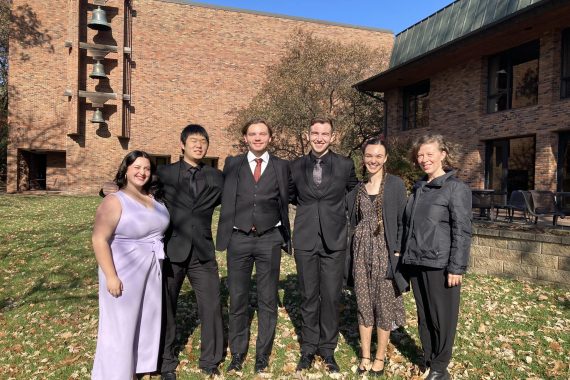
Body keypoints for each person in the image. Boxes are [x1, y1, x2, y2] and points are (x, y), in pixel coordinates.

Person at [216, 119, 291, 374]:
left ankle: (262, 356)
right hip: (239, 238)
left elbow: (295, 193)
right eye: (252, 134)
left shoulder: (282, 166)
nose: (257, 137)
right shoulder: (233, 164)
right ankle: (237, 354)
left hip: (270, 238)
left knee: (268, 300)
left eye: (262, 134)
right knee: (237, 299)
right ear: (245, 138)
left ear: (270, 138)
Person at [92, 151, 170, 380]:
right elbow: (99, 239)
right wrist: (111, 276)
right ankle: (116, 374)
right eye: (137, 167)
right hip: (123, 270)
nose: (142, 172)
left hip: (151, 270)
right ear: (126, 170)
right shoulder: (114, 200)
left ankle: (137, 367)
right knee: (121, 326)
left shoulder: (153, 199)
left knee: (146, 320)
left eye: (146, 168)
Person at [289, 117, 358, 373]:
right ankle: (308, 348)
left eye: (324, 133)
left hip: (335, 240)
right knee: (308, 297)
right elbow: (291, 195)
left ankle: (327, 350)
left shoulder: (344, 165)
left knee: (330, 297)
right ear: (308, 135)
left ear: (333, 136)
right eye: (315, 133)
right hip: (306, 239)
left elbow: (354, 195)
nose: (319, 137)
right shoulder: (295, 166)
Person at [402, 134, 472, 380]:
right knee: (425, 316)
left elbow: (462, 230)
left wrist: (457, 267)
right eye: (420, 155)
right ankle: (430, 358)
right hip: (417, 262)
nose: (424, 159)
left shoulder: (455, 188)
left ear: (443, 154)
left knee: (443, 318)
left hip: (441, 265)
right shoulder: (419, 187)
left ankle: (441, 368)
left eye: (429, 154)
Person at [159, 125, 224, 379]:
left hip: (203, 251)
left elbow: (236, 196)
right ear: (182, 144)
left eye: (203, 141)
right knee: (166, 307)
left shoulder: (216, 177)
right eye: (194, 140)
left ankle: (210, 360)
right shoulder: (165, 173)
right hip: (171, 250)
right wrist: (108, 191)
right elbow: (136, 188)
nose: (199, 145)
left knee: (212, 305)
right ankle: (165, 362)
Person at [346, 137, 408, 376]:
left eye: (378, 156)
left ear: (385, 158)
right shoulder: (357, 189)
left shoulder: (395, 185)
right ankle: (364, 355)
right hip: (361, 251)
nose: (373, 160)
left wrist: (398, 250)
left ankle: (380, 357)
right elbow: (352, 220)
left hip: (385, 251)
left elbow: (403, 221)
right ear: (364, 158)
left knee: (384, 305)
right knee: (363, 303)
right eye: (369, 155)